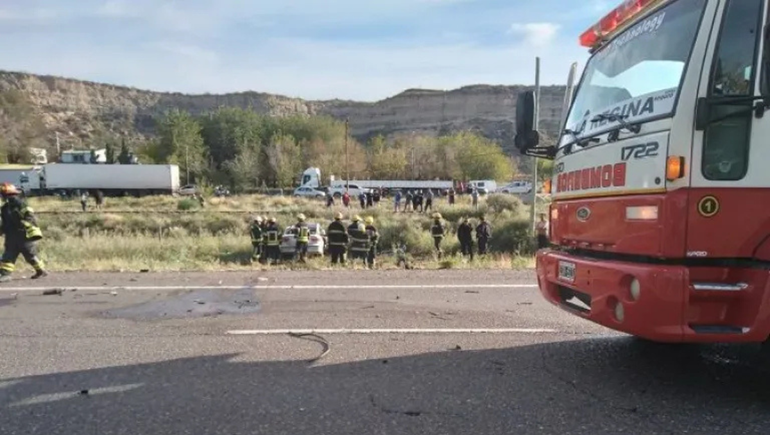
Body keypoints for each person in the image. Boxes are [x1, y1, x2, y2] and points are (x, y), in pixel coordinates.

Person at [0, 183, 47, 282]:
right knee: (8, 255)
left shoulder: (21, 204)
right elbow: (5, 222)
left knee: (30, 255)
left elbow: (29, 216)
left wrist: (23, 223)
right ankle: (5, 274)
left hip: (23, 235)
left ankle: (41, 271)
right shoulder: (4, 208)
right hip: (11, 236)